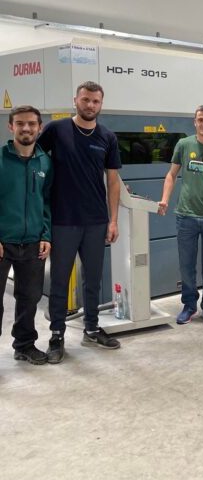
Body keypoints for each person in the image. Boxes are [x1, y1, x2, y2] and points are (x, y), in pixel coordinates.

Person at [39, 81, 121, 363]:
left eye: (95, 101)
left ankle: (91, 328)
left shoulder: (107, 137)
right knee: (59, 281)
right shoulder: (56, 130)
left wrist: (113, 220)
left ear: (101, 104)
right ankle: (57, 335)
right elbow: (35, 161)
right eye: (85, 100)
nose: (90, 105)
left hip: (96, 220)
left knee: (93, 279)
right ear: (75, 100)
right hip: (63, 219)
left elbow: (113, 180)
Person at [158, 105, 203, 325]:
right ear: (195, 121)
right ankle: (189, 306)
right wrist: (165, 199)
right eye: (201, 120)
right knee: (186, 266)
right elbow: (171, 175)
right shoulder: (184, 145)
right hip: (186, 217)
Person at [0, 106, 52, 365]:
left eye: (31, 124)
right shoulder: (1, 159)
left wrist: (46, 234)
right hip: (3, 242)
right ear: (11, 127)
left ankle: (24, 345)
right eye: (20, 123)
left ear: (39, 128)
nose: (26, 128)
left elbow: (47, 202)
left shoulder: (45, 162)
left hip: (33, 243)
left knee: (29, 298)